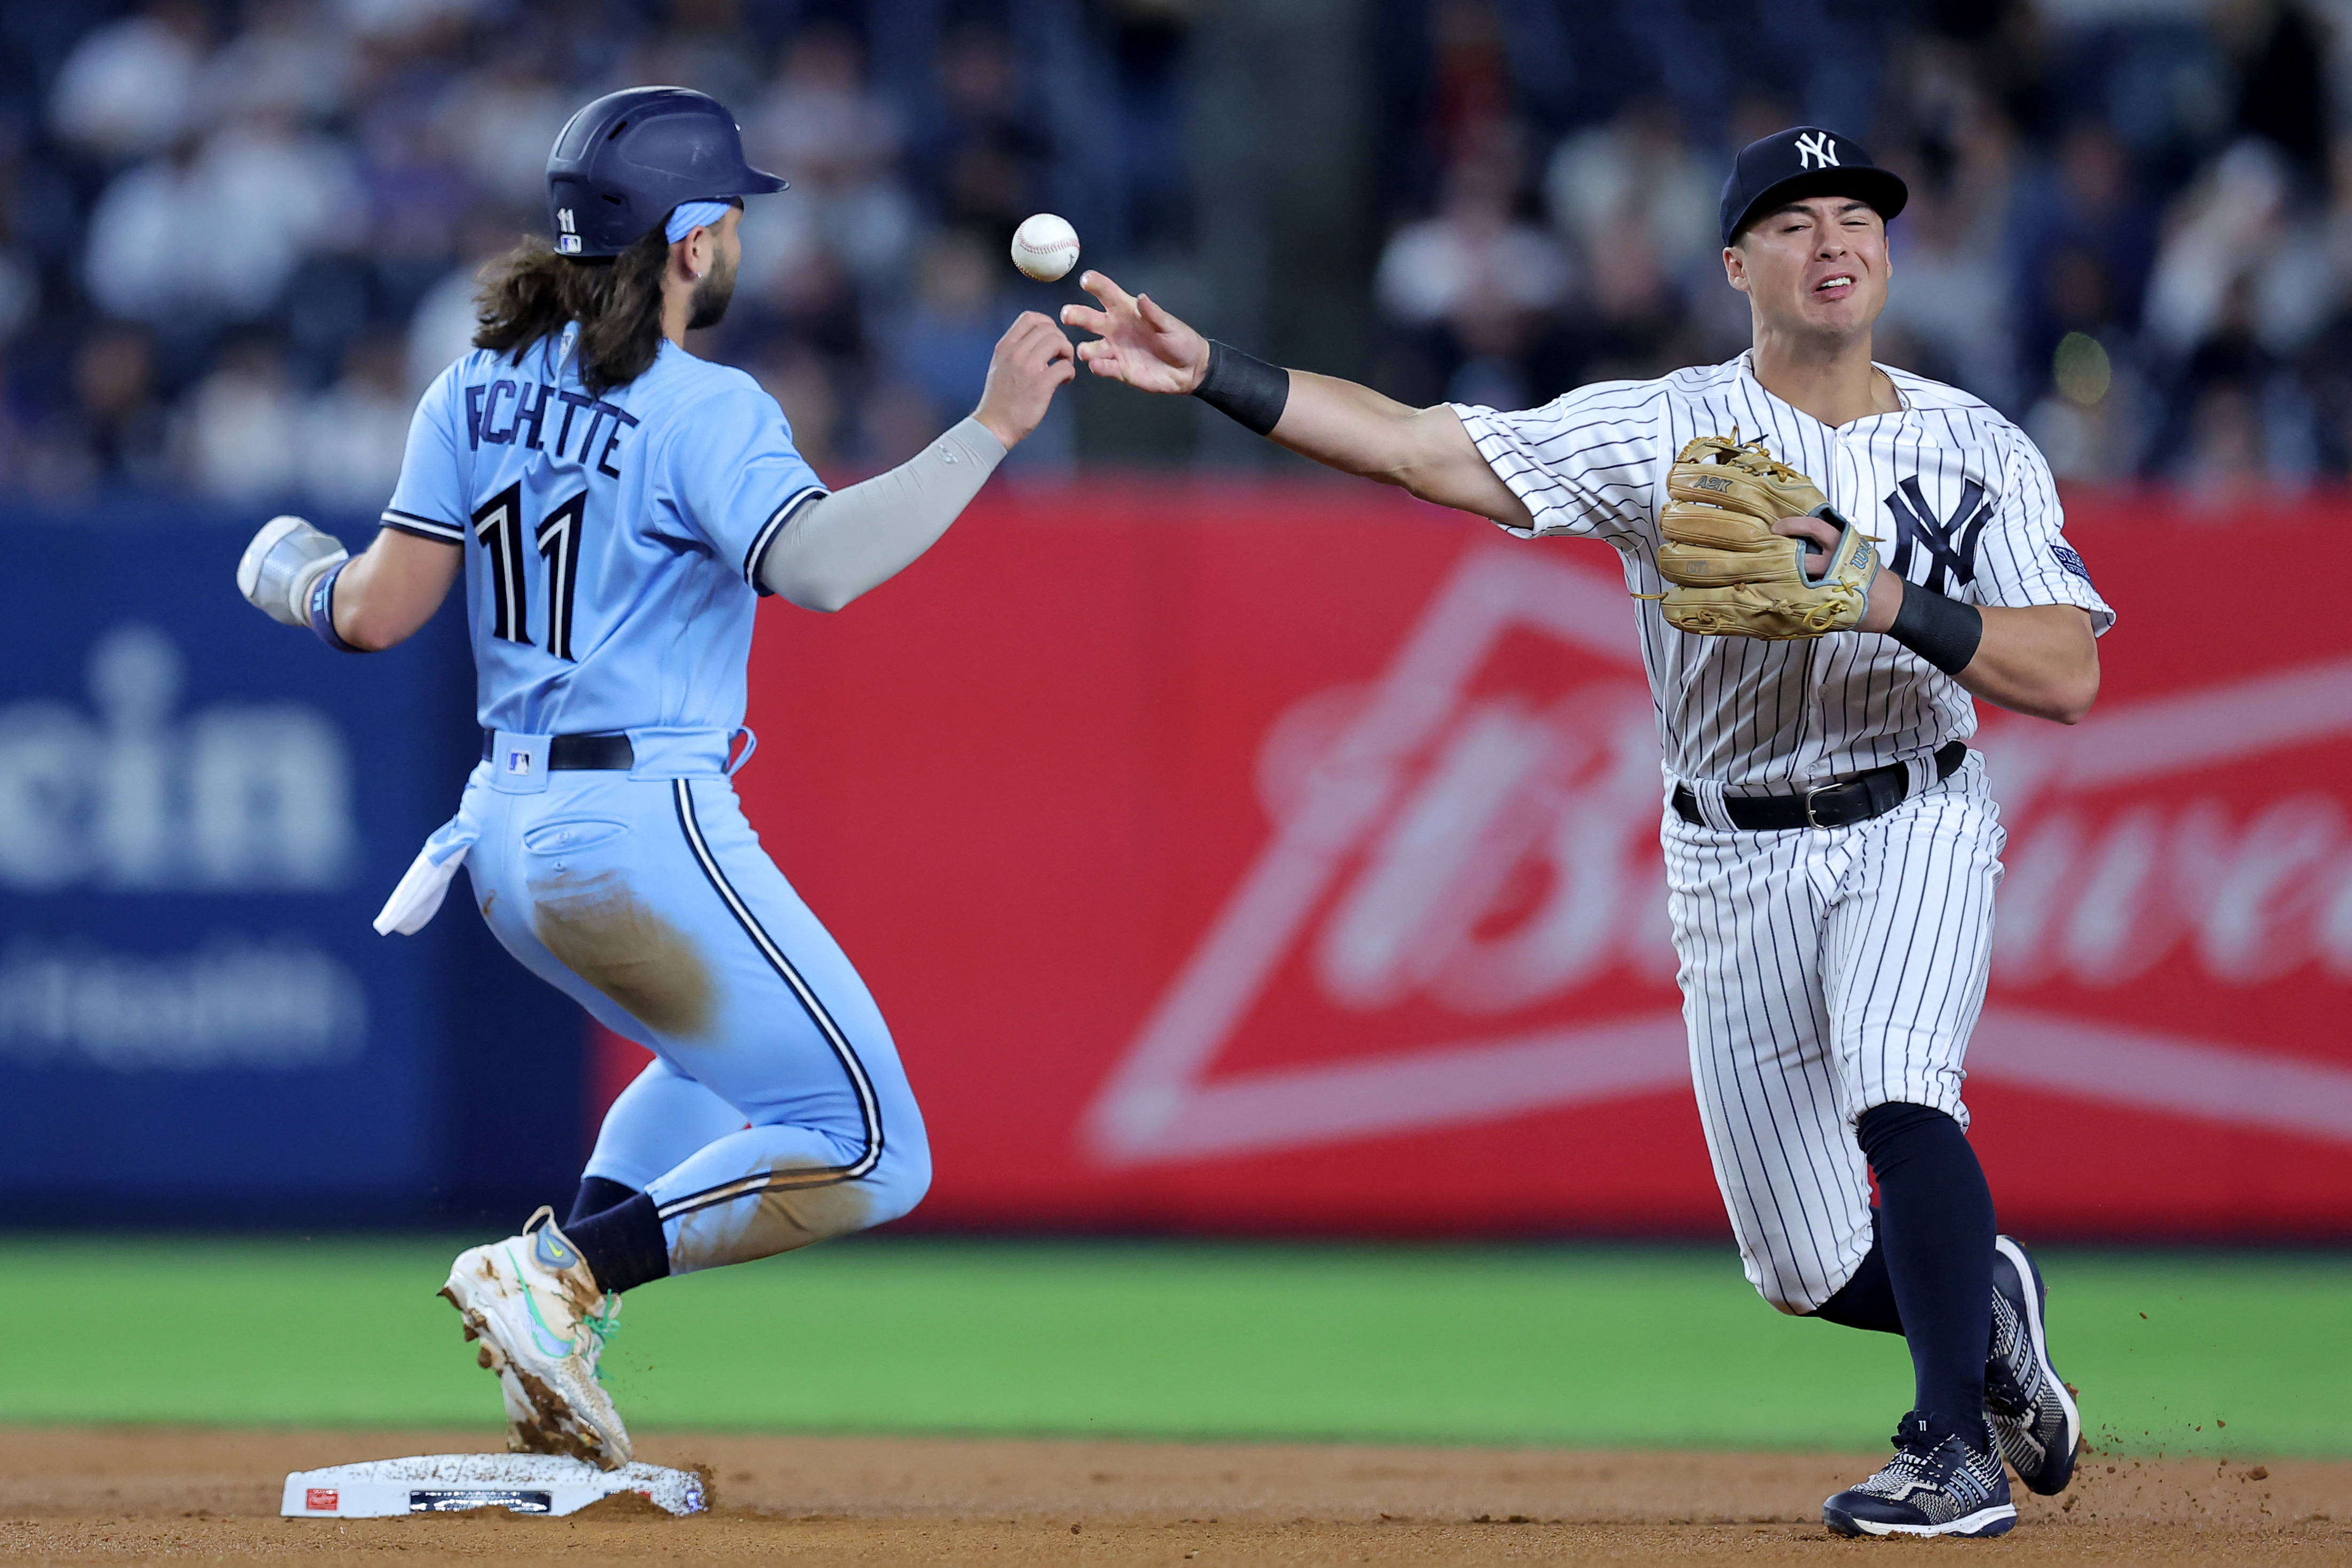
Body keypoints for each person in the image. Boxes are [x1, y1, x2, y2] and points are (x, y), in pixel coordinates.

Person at [1061, 127, 2098, 1540]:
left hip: (1912, 806)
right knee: (1797, 1263)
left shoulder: (1976, 444)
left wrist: (1882, 599)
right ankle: (1978, 1303)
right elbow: (1423, 449)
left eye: (1854, 215)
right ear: (1736, 265)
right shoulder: (1658, 427)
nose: (1832, 241)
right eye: (1792, 224)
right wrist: (1216, 377)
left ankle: (1948, 1449)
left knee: (1899, 1083)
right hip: (1727, 846)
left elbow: (2066, 675)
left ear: (1890, 250)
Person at [234, 87, 1073, 1469]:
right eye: (729, 215)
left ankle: (554, 1328)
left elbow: (375, 612)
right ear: (688, 240)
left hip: (501, 841)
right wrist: (985, 427)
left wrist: (292, 581)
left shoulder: (475, 380)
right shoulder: (703, 406)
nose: (739, 238)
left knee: (704, 1067)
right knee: (874, 1150)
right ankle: (561, 1280)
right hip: (636, 825)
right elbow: (823, 566)